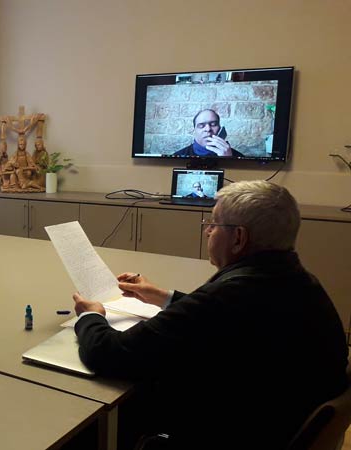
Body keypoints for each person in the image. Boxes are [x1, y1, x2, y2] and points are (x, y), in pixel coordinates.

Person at [72, 181, 348, 449]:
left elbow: (107, 353)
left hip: (228, 433)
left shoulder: (225, 297)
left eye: (214, 224)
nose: (207, 231)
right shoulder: (298, 281)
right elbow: (223, 318)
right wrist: (162, 296)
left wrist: (90, 316)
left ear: (238, 238)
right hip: (278, 420)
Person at [173, 109, 245, 157]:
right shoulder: (177, 157)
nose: (208, 129)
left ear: (220, 128)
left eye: (213, 124)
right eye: (201, 126)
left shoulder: (238, 157)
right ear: (194, 130)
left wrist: (230, 161)